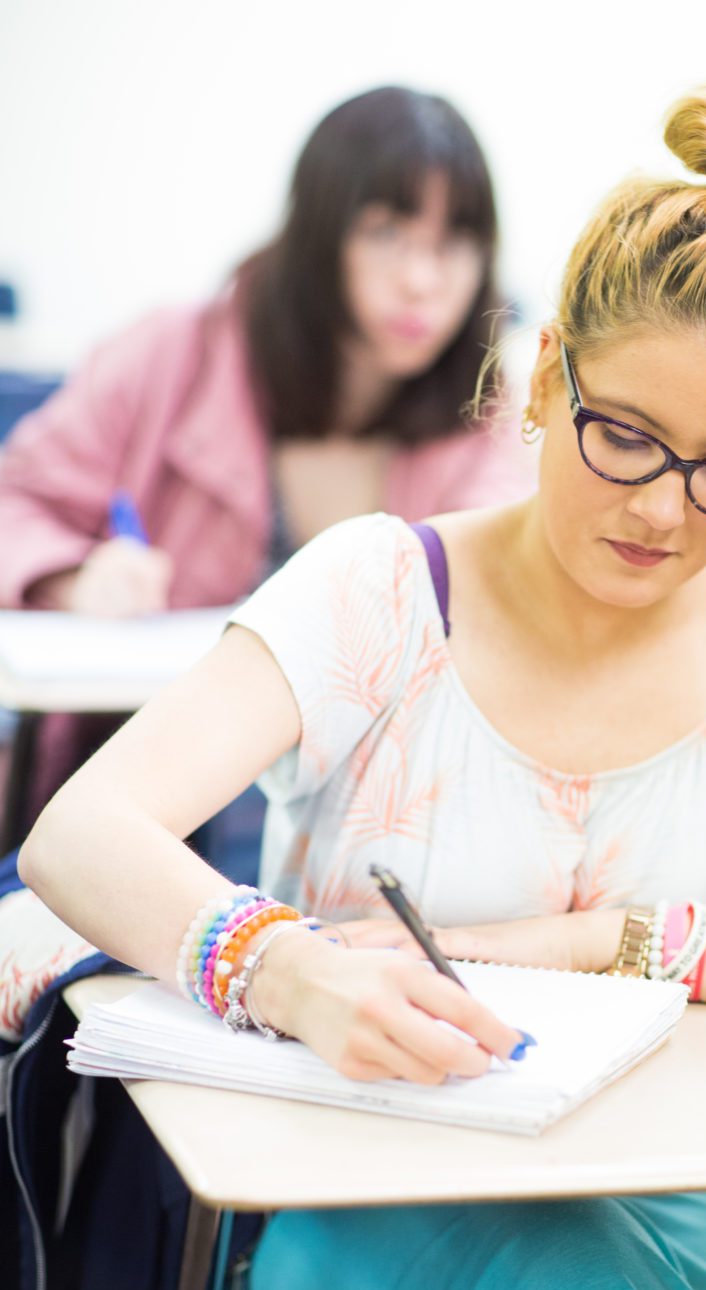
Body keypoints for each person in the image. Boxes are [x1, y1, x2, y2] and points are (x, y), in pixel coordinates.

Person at [19, 80, 706, 1290]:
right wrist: (289, 973)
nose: (661, 509)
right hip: (362, 1227)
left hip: (684, 1229)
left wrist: (605, 940)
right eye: (624, 436)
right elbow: (83, 832)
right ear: (541, 384)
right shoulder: (380, 591)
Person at [0, 84, 531, 822]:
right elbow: (13, 504)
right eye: (387, 233)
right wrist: (72, 576)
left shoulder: (489, 406)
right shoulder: (171, 354)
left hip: (368, 811)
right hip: (150, 793)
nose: (422, 280)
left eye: (453, 244)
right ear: (318, 235)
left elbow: (510, 591)